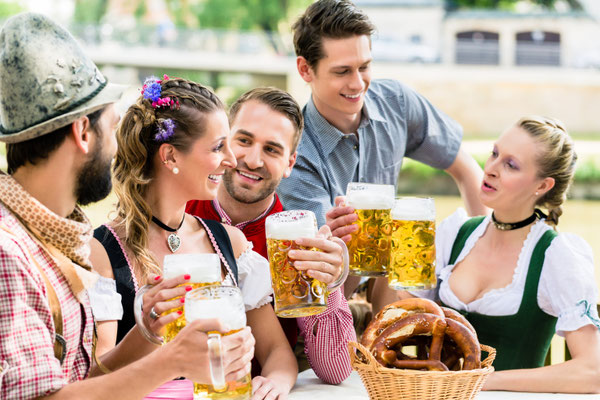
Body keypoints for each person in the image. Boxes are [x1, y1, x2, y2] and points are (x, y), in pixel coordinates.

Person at [0, 12, 254, 400]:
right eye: (113, 126)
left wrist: (146, 335)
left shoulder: (49, 240)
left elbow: (77, 383)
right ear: (83, 132)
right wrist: (172, 360)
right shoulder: (9, 252)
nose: (122, 147)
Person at [89, 77, 298, 399]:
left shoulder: (229, 243)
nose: (231, 160)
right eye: (218, 147)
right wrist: (146, 331)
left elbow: (277, 354)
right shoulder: (101, 251)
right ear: (170, 156)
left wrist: (274, 383)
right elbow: (93, 379)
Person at [276, 0, 488, 313]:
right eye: (342, 71)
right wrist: (342, 242)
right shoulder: (295, 157)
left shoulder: (396, 102)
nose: (358, 83)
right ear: (305, 69)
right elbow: (325, 281)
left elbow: (467, 170)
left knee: (405, 240)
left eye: (364, 67)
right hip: (327, 306)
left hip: (388, 291)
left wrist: (481, 260)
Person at [401, 116, 600, 393]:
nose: (491, 169)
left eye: (511, 165)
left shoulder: (556, 256)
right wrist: (396, 257)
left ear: (542, 186)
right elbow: (403, 319)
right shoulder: (455, 234)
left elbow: (592, 372)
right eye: (494, 154)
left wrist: (481, 381)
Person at [186, 87, 356, 384]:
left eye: (272, 149)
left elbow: (336, 371)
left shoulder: (297, 242)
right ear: (223, 141)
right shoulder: (179, 211)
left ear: (290, 163)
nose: (253, 160)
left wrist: (329, 286)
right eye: (244, 140)